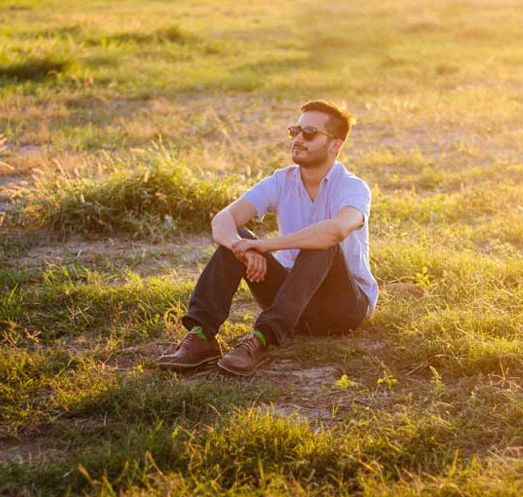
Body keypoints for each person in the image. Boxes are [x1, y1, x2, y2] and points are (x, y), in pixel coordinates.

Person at [157, 100, 378, 375]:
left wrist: (265, 246)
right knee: (236, 237)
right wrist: (243, 249)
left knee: (322, 242)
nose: (298, 139)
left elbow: (335, 231)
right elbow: (223, 220)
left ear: (335, 145)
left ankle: (262, 339)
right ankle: (202, 337)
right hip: (290, 299)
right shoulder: (280, 180)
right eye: (294, 131)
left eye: (309, 133)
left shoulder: (354, 188)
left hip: (340, 308)